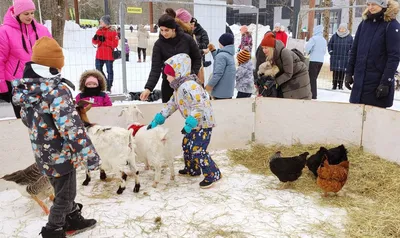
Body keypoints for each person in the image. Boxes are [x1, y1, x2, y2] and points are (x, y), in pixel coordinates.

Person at [11, 36, 100, 238]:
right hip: (61, 154)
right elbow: (72, 128)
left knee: (63, 190)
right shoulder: (57, 91)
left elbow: (27, 120)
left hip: (43, 152)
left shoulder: (26, 90)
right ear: (54, 65)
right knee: (66, 194)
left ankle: (73, 218)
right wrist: (90, 156)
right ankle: (53, 230)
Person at [147, 53, 221, 188]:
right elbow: (172, 105)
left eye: (168, 74)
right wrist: (158, 119)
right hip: (193, 123)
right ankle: (192, 169)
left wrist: (190, 122)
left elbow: (200, 105)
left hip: (202, 123)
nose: (166, 77)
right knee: (187, 144)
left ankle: (213, 174)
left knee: (197, 149)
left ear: (178, 73)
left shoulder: (189, 86)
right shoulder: (178, 89)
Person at [0, 0, 52, 118]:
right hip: (17, 83)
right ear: (17, 13)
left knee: (44, 120)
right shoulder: (4, 32)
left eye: (32, 13)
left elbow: (52, 54)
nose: (30, 17)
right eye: (26, 14)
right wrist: (2, 87)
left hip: (40, 80)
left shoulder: (42, 30)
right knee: (24, 119)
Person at [346, 0, 400, 108]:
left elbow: (394, 57)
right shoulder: (364, 23)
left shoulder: (391, 25)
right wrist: (349, 72)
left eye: (374, 4)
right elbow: (354, 50)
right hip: (360, 82)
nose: (370, 7)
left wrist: (385, 83)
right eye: (368, 4)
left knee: (373, 121)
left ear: (383, 4)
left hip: (377, 84)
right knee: (356, 118)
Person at [140, 14, 201, 103]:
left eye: (166, 30)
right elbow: (155, 68)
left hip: (186, 84)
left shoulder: (187, 39)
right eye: (161, 30)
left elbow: (197, 58)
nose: (164, 33)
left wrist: (192, 74)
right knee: (168, 112)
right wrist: (148, 88)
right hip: (168, 84)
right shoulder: (159, 45)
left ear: (173, 29)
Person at [260, 32, 312, 99]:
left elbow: (288, 73)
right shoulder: (273, 56)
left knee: (295, 102)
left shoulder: (285, 53)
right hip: (290, 79)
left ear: (271, 48)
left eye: (266, 48)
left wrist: (274, 82)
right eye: (263, 48)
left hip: (298, 79)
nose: (264, 50)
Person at [92, 15, 119, 93]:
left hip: (108, 55)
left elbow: (115, 44)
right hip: (99, 54)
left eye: (102, 21)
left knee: (109, 71)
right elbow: (95, 42)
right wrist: (95, 39)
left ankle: (109, 86)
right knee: (98, 70)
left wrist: (105, 40)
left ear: (106, 22)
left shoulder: (113, 31)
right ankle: (105, 83)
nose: (100, 22)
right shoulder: (99, 30)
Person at [206, 33, 236, 100]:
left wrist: (209, 86)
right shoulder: (229, 55)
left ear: (222, 43)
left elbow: (218, 74)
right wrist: (213, 50)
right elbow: (219, 61)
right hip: (227, 92)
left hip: (219, 93)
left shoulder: (221, 56)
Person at [328, 23, 353, 90]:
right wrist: (331, 51)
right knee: (335, 71)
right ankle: (334, 85)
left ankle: (340, 85)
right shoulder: (334, 36)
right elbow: (330, 44)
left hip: (345, 57)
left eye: (343, 28)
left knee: (342, 71)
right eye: (341, 28)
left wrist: (349, 53)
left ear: (346, 29)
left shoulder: (349, 37)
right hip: (335, 56)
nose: (342, 30)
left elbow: (352, 47)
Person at [305, 25, 327, 99]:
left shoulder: (313, 39)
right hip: (320, 61)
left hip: (313, 60)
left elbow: (307, 47)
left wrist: (308, 52)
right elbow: (324, 51)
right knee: (315, 77)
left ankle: (313, 94)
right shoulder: (324, 40)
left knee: (312, 78)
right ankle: (312, 92)